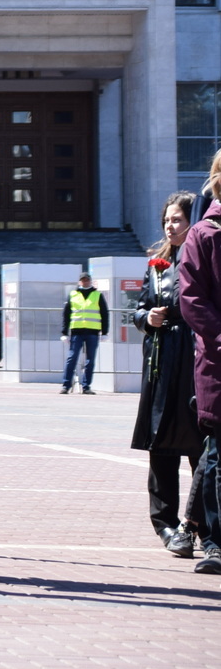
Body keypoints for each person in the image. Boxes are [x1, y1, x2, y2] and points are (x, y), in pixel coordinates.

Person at [133, 192, 205, 557]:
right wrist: (147, 318)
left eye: (177, 219)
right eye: (167, 221)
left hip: (195, 359)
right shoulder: (158, 265)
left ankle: (202, 527)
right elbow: (139, 306)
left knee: (199, 444)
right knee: (159, 442)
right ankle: (166, 524)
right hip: (161, 360)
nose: (170, 226)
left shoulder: (205, 256)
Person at [177, 150, 221, 575]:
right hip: (218, 364)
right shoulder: (204, 234)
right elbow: (191, 300)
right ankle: (214, 541)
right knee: (217, 456)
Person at [61, 271, 109, 395]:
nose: (85, 281)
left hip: (92, 331)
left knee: (90, 360)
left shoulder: (97, 295)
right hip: (77, 331)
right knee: (71, 358)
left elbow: (104, 314)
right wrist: (64, 332)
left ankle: (86, 386)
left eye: (87, 279)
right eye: (83, 280)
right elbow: (66, 314)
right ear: (79, 281)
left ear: (90, 281)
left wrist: (105, 332)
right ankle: (66, 385)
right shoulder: (73, 294)